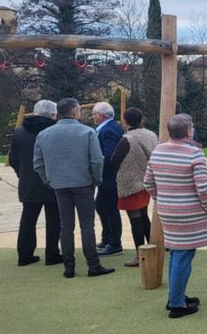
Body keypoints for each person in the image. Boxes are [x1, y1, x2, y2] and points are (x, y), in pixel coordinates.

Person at [33, 98, 113, 279]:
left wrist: (49, 180)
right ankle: (93, 264)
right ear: (76, 112)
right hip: (83, 183)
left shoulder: (44, 134)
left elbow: (37, 163)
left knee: (66, 225)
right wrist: (96, 180)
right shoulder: (87, 132)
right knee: (87, 225)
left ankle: (68, 266)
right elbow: (96, 160)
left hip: (59, 184)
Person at [144, 114, 207, 318]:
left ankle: (177, 296)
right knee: (184, 254)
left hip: (167, 210)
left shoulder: (158, 151)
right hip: (189, 212)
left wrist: (161, 199)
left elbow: (148, 183)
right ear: (189, 131)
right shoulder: (194, 153)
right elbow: (203, 189)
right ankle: (176, 303)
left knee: (176, 251)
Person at [8, 99, 61, 266]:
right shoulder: (55, 131)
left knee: (28, 220)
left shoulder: (19, 132)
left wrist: (22, 174)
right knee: (54, 219)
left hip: (28, 181)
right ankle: (52, 253)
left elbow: (13, 159)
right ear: (53, 114)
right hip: (52, 181)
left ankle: (24, 254)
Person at [109, 108, 158, 268]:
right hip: (147, 181)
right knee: (143, 215)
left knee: (135, 218)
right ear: (141, 119)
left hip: (130, 182)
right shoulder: (151, 135)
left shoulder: (127, 139)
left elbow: (114, 160)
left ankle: (139, 255)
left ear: (125, 121)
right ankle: (153, 247)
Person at [91, 102, 125, 256]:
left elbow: (109, 155)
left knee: (110, 209)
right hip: (107, 177)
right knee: (101, 205)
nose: (92, 117)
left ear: (101, 115)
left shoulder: (109, 130)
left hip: (109, 177)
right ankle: (107, 239)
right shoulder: (108, 128)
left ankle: (114, 243)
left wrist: (95, 169)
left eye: (94, 114)